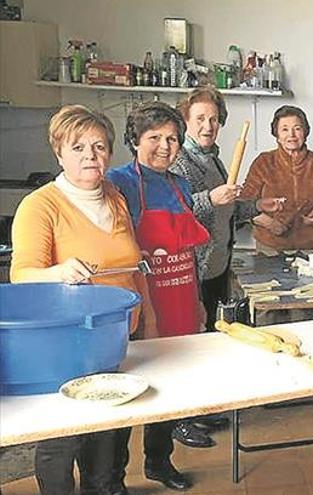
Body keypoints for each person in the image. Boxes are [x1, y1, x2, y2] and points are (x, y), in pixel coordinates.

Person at [11, 104, 154, 495]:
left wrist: (150, 325)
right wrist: (57, 273)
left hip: (117, 338)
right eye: (78, 148)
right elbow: (21, 276)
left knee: (111, 436)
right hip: (65, 347)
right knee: (65, 438)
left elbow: (131, 265)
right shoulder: (41, 206)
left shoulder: (115, 196)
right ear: (59, 152)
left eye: (99, 146)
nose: (91, 155)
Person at [169, 87, 283, 448]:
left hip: (217, 266)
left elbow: (226, 208)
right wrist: (208, 198)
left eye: (214, 119)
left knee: (208, 343)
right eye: (200, 118)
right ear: (187, 121)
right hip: (191, 269)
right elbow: (177, 211)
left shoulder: (214, 159)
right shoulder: (178, 162)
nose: (208, 125)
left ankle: (201, 409)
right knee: (187, 346)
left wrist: (254, 205)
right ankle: (180, 420)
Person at [106, 101, 207, 492]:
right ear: (135, 140)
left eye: (172, 138)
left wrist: (197, 299)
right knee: (129, 393)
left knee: (171, 388)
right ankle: (113, 476)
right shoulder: (119, 182)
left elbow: (189, 252)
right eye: (155, 138)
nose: (165, 146)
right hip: (144, 303)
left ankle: (159, 461)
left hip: (181, 298)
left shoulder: (180, 185)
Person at [240, 105, 313, 250]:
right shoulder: (264, 162)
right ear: (277, 135)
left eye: (297, 128)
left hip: (311, 247)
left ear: (305, 132)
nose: (291, 135)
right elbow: (244, 204)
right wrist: (269, 223)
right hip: (270, 247)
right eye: (285, 129)